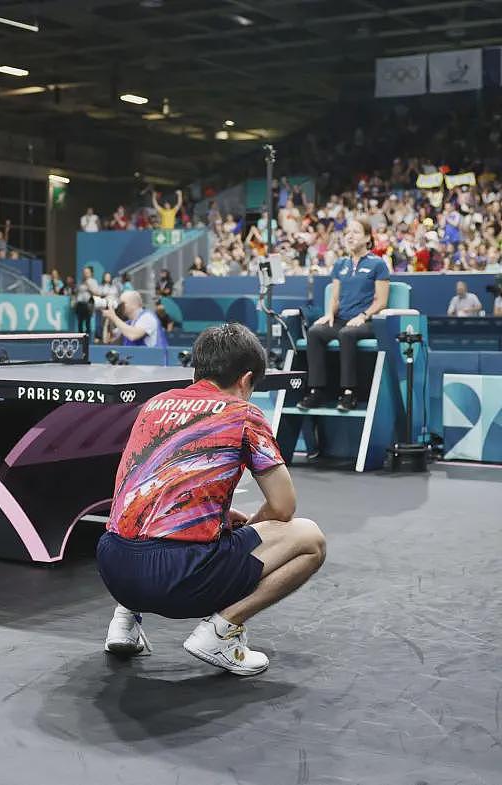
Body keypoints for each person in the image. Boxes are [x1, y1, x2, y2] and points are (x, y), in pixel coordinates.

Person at [100, 323, 325, 675]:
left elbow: (140, 491)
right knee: (309, 538)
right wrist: (248, 528)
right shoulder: (243, 413)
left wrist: (216, 518)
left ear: (197, 369)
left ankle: (124, 621)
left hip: (113, 566)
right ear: (246, 380)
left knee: (139, 520)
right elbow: (283, 507)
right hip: (178, 578)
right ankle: (221, 633)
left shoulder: (155, 405)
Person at [297, 218, 390, 413]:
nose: (349, 236)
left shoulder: (377, 264)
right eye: (348, 232)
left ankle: (349, 392)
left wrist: (363, 315)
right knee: (315, 332)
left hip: (368, 321)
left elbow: (381, 301)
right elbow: (335, 297)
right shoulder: (341, 264)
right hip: (342, 319)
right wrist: (329, 314)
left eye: (356, 232)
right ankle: (317, 390)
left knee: (347, 333)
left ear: (367, 238)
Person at [101, 290, 167, 347]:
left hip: (152, 360)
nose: (120, 306)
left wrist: (113, 317)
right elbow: (107, 339)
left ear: (133, 304)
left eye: (123, 303)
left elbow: (133, 335)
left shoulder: (147, 317)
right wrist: (109, 318)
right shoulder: (130, 323)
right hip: (135, 359)